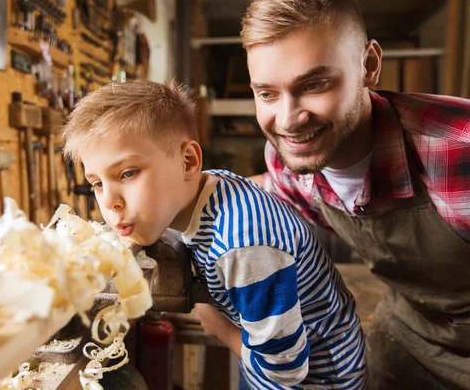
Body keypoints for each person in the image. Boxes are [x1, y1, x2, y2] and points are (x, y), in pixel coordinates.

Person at [62, 80, 367, 389]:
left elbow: (285, 369)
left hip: (319, 379)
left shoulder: (243, 245)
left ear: (188, 161)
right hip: (263, 346)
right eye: (97, 183)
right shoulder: (213, 186)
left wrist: (218, 326)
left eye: (128, 173)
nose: (110, 203)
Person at [241, 0, 470, 389]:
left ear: (369, 65)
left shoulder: (457, 151)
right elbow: (266, 189)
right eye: (267, 93)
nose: (289, 119)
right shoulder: (289, 155)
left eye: (314, 84)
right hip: (408, 336)